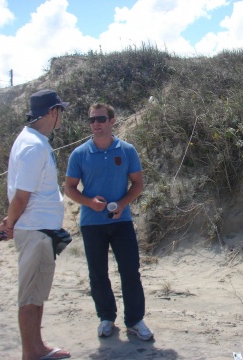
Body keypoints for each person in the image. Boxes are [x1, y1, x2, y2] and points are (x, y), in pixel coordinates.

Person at [64, 103, 153, 340]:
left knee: (130, 271)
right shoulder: (79, 154)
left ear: (112, 121)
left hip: (121, 221)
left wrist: (122, 204)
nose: (96, 124)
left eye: (101, 119)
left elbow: (138, 184)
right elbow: (70, 189)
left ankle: (135, 321)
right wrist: (89, 202)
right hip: (91, 224)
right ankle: (106, 318)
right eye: (92, 120)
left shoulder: (126, 150)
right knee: (98, 274)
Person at [0, 90, 71, 360]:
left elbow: (21, 192)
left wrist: (11, 220)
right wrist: (11, 223)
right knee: (29, 296)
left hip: (40, 229)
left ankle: (38, 347)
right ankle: (31, 352)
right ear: (53, 112)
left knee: (36, 292)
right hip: (36, 230)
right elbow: (22, 195)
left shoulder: (35, 141)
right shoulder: (33, 146)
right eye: (60, 110)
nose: (61, 115)